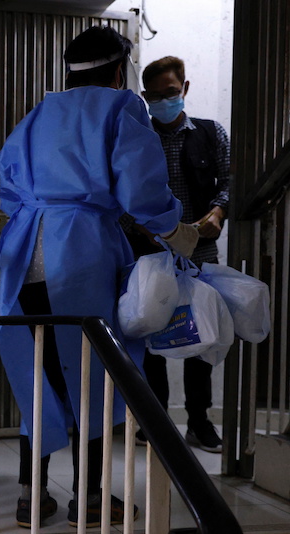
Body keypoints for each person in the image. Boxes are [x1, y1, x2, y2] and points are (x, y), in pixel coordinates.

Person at [0, 27, 198, 528]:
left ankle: (29, 497)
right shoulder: (121, 107)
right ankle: (90, 499)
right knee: (96, 377)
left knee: (36, 376)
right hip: (80, 251)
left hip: (22, 256)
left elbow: (8, 183)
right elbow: (141, 191)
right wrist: (176, 228)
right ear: (119, 69)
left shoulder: (38, 113)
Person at [127, 56, 230, 453]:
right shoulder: (137, 138)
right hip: (149, 253)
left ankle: (199, 422)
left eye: (170, 93)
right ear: (145, 97)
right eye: (154, 95)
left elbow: (229, 179)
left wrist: (218, 212)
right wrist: (136, 226)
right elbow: (122, 194)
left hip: (200, 251)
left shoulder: (209, 133)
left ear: (184, 89)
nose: (163, 101)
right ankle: (156, 420)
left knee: (202, 335)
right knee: (151, 332)